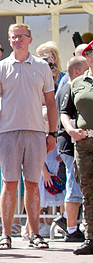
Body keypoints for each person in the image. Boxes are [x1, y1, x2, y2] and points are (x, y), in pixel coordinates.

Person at [0, 23, 58, 249]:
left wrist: (52, 132)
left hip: (36, 132)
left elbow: (50, 101)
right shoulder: (0, 67)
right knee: (9, 184)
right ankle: (6, 235)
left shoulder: (42, 67)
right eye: (13, 37)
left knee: (33, 184)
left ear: (30, 39)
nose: (17, 40)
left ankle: (34, 234)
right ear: (9, 41)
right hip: (7, 132)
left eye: (21, 36)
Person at [61, 41, 93, 254]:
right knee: (88, 192)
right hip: (84, 142)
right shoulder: (77, 83)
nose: (92, 56)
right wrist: (70, 131)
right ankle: (91, 238)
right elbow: (66, 112)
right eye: (89, 53)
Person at [55, 54, 90, 243]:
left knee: (76, 185)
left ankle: (68, 222)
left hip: (71, 142)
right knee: (74, 186)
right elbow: (65, 114)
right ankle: (70, 227)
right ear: (76, 71)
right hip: (71, 144)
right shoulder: (70, 86)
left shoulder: (67, 85)